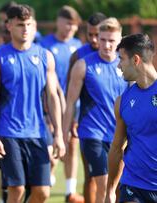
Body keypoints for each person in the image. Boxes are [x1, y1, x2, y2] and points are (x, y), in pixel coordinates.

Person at [0, 4, 65, 203]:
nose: (26, 29)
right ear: (9, 25)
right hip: (9, 133)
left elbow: (53, 96)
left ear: (35, 25)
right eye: (20, 25)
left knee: (43, 192)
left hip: (38, 133)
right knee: (17, 190)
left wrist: (58, 134)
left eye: (29, 24)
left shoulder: (45, 57)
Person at [63, 18, 128, 203]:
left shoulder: (126, 68)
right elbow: (70, 104)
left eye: (112, 40)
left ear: (120, 40)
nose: (107, 45)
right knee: (104, 183)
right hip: (92, 134)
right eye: (103, 39)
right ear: (97, 38)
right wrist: (63, 135)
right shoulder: (83, 65)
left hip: (119, 137)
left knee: (116, 188)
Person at [105, 33, 157, 203]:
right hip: (132, 185)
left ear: (136, 60)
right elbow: (116, 148)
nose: (118, 65)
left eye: (121, 59)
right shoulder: (122, 101)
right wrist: (110, 190)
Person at [40, 6, 82, 199]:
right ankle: (47, 173)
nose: (70, 29)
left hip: (74, 105)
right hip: (50, 104)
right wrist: (46, 106)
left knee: (72, 144)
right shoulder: (45, 44)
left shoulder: (77, 45)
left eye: (73, 26)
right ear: (58, 22)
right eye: (67, 24)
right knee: (51, 149)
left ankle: (70, 190)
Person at [65, 12, 107, 203]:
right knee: (92, 175)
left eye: (97, 34)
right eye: (90, 34)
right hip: (89, 126)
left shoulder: (120, 55)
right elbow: (70, 95)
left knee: (119, 178)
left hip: (116, 126)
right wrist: (72, 119)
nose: (94, 39)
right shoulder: (79, 56)